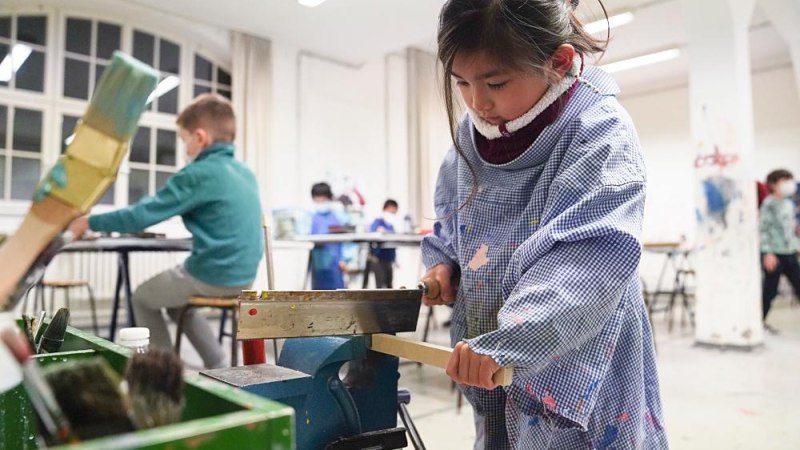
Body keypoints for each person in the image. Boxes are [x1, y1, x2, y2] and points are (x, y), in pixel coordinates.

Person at [419, 1, 668, 448]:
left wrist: (513, 337)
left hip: (576, 350)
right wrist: (444, 263)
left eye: (495, 83)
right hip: (490, 354)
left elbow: (587, 260)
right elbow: (454, 214)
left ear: (559, 62)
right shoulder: (472, 133)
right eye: (462, 83)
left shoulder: (597, 128)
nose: (478, 102)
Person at [69, 93, 263, 369]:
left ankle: (164, 368)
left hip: (213, 273)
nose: (185, 149)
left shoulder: (199, 173)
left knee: (142, 297)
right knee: (175, 301)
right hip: (243, 276)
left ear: (200, 137)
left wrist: (89, 222)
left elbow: (141, 216)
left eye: (185, 141)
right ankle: (218, 363)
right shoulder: (244, 173)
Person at [759, 169, 800, 334]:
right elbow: (763, 230)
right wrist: (767, 253)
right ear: (773, 184)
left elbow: (789, 229)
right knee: (770, 291)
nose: (789, 184)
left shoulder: (788, 204)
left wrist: (796, 245)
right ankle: (758, 323)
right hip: (774, 254)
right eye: (785, 180)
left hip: (789, 252)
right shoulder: (768, 204)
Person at [309, 182, 346, 289]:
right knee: (318, 295)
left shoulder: (337, 216)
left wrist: (344, 259)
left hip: (335, 262)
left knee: (337, 293)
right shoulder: (311, 217)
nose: (320, 201)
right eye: (317, 197)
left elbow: (345, 239)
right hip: (318, 261)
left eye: (323, 198)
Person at [369, 199, 399, 288]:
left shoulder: (390, 225)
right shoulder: (378, 221)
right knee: (380, 285)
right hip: (378, 259)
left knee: (389, 284)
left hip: (389, 259)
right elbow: (372, 232)